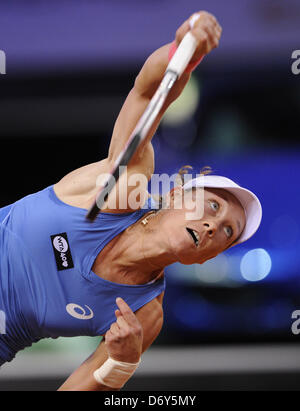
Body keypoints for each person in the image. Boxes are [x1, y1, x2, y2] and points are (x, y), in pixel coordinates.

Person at [0, 11, 261, 391]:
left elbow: (83, 388)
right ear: (175, 193)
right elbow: (146, 91)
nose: (212, 226)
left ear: (207, 257)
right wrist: (184, 49)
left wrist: (119, 364)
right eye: (213, 206)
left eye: (227, 232)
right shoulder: (122, 190)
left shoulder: (145, 315)